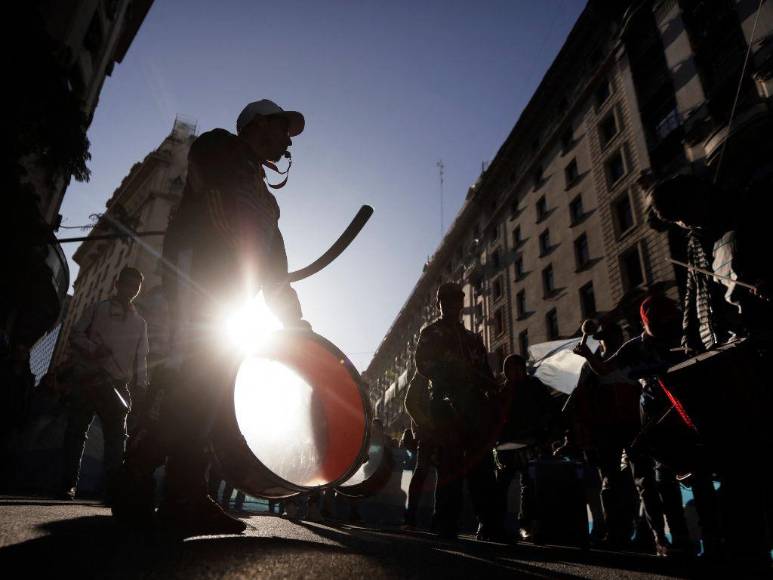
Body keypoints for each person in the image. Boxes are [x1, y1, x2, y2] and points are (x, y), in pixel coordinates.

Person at [113, 99, 311, 536]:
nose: (287, 141)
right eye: (282, 129)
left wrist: (295, 322)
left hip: (232, 298)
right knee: (192, 379)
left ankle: (185, 495)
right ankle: (137, 471)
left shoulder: (267, 202)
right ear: (257, 124)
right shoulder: (218, 147)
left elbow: (275, 271)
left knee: (214, 388)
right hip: (198, 279)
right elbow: (219, 210)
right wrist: (248, 262)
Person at [414, 282, 501, 541]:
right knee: (450, 464)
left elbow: (485, 371)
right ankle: (445, 523)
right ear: (439, 304)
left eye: (456, 301)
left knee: (481, 465)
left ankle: (489, 523)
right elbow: (422, 364)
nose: (452, 305)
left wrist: (492, 389)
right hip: (445, 404)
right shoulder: (431, 333)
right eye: (446, 301)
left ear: (461, 304)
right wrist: (449, 372)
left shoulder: (472, 339)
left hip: (474, 406)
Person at [60, 267, 149, 501]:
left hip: (118, 386)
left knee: (116, 439)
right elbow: (75, 334)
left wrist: (141, 386)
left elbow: (142, 358)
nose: (131, 289)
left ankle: (111, 490)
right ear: (117, 284)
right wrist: (93, 349)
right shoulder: (97, 308)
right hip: (88, 379)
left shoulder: (140, 323)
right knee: (76, 432)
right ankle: (67, 484)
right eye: (127, 283)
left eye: (136, 286)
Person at [494, 354, 561, 541]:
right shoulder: (504, 390)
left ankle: (527, 524)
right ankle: (497, 524)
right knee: (503, 484)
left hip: (531, 442)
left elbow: (550, 408)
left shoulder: (534, 386)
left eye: (518, 369)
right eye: (511, 369)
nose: (515, 373)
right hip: (509, 445)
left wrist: (547, 431)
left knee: (529, 484)